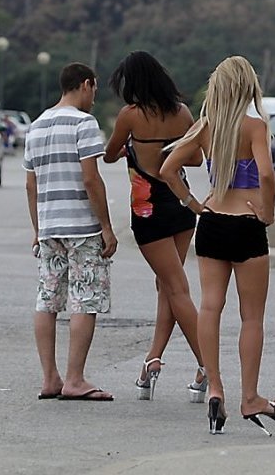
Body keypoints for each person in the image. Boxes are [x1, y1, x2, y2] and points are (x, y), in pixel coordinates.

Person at [160, 55, 275, 436]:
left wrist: (193, 203)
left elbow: (168, 170)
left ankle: (214, 386)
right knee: (251, 317)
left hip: (212, 222)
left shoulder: (206, 128)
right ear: (249, 87)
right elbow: (266, 172)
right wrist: (267, 211)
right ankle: (250, 397)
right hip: (247, 225)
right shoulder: (255, 126)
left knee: (210, 307)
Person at [104, 50, 207, 401]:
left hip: (148, 211)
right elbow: (195, 157)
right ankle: (152, 361)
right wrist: (169, 149)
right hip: (180, 205)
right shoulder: (182, 113)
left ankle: (208, 365)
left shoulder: (130, 116)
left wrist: (133, 148)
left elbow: (108, 153)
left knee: (176, 288)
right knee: (167, 286)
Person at [23, 62, 117, 401]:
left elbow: (30, 185)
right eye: (94, 89)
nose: (94, 97)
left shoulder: (35, 126)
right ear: (86, 84)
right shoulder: (84, 123)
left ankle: (50, 378)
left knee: (47, 300)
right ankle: (75, 379)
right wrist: (106, 226)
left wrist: (38, 229)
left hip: (49, 228)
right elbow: (91, 178)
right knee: (84, 299)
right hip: (81, 226)